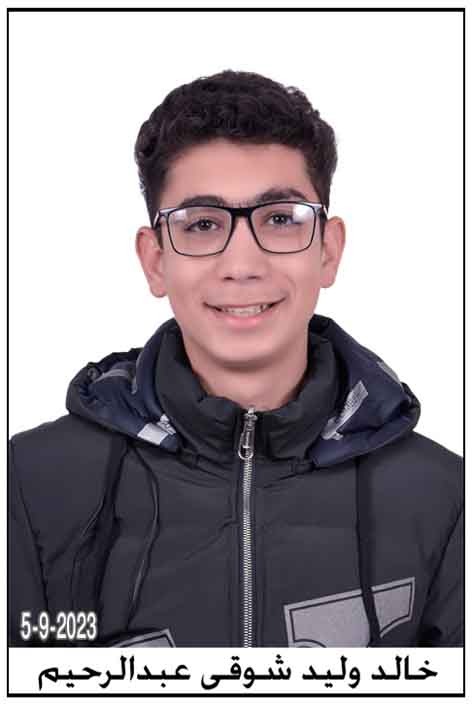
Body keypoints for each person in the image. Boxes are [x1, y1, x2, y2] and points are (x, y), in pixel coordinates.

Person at [9, 70, 463, 649]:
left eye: (281, 219)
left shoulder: (444, 498)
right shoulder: (29, 484)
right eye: (202, 225)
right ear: (155, 261)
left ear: (328, 250)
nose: (242, 265)